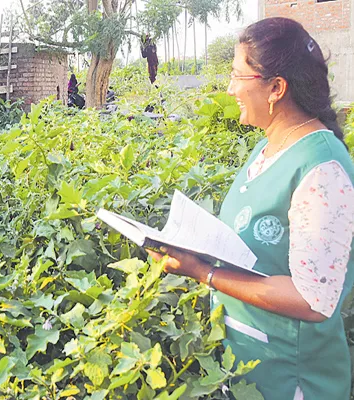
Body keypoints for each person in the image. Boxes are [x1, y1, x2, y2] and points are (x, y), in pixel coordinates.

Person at [147, 18, 354, 399]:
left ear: (276, 88)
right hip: (248, 368)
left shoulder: (322, 169)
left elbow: (313, 300)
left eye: (237, 76)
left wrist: (204, 273)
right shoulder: (266, 148)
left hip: (293, 380)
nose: (229, 89)